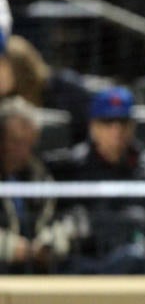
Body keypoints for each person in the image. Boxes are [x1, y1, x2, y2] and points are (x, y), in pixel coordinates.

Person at [45, 87, 145, 275]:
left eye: (123, 122)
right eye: (108, 122)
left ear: (133, 126)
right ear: (93, 127)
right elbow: (54, 221)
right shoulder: (72, 167)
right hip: (94, 262)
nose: (117, 131)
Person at [0, 98, 87, 273]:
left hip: (37, 270)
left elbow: (68, 219)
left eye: (29, 144)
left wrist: (50, 242)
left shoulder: (39, 175)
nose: (22, 152)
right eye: (15, 142)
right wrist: (8, 246)